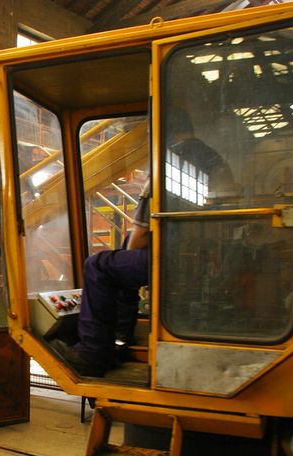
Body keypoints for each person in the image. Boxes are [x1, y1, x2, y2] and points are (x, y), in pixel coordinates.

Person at [52, 108, 233, 378]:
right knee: (123, 253)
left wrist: (124, 260)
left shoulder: (169, 164)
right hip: (202, 252)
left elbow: (143, 234)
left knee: (99, 265)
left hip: (173, 258)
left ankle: (93, 352)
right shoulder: (213, 159)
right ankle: (118, 339)